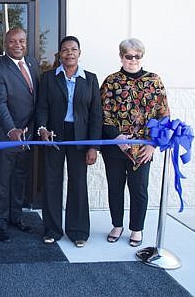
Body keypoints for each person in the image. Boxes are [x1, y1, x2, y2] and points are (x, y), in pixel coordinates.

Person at [101, 38, 169, 247]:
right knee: (115, 187)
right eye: (128, 56)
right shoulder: (111, 81)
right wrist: (116, 137)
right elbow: (103, 112)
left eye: (137, 56)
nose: (132, 60)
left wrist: (152, 144)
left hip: (143, 149)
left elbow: (163, 115)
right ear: (121, 56)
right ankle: (117, 225)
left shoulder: (154, 81)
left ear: (142, 57)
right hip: (115, 147)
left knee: (139, 189)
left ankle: (137, 228)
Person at [36, 36, 102, 248]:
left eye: (74, 49)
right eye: (65, 50)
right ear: (60, 54)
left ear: (79, 53)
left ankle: (78, 231)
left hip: (80, 136)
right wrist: (42, 129)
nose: (69, 53)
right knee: (52, 182)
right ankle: (52, 230)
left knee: (78, 183)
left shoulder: (90, 79)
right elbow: (42, 108)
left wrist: (94, 146)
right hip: (55, 135)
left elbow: (96, 115)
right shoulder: (48, 78)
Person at [0, 27, 39, 242]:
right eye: (12, 41)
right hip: (6, 134)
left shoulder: (34, 64)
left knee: (20, 178)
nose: (18, 45)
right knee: (2, 180)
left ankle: (15, 217)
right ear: (6, 44)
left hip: (28, 133)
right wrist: (11, 130)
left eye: (21, 41)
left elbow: (37, 98)